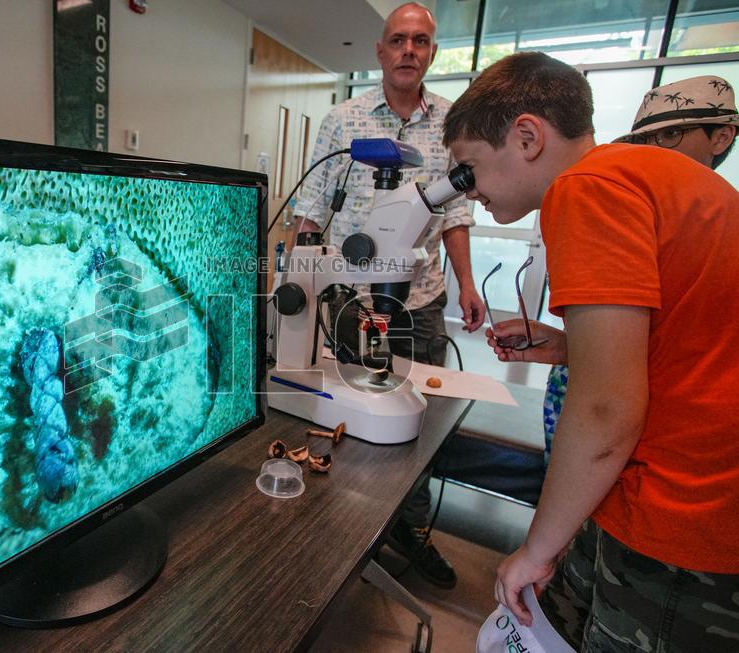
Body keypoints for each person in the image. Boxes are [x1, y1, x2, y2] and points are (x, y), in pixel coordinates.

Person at [443, 52, 739, 651]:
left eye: (469, 170)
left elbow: (606, 409)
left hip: (681, 512)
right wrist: (566, 346)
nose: (469, 197)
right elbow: (686, 337)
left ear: (527, 137)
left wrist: (536, 548)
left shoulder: (586, 190)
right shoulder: (658, 175)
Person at [293, 2, 486, 590]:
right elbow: (309, 210)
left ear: (432, 52)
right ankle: (343, 527)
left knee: (415, 420)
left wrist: (468, 285)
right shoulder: (342, 120)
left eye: (421, 41)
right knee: (347, 411)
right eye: (398, 40)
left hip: (418, 295)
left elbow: (454, 213)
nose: (409, 50)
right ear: (380, 51)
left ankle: (410, 529)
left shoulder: (453, 126)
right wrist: (298, 280)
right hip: (350, 298)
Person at [541, 75, 738, 465]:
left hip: (665, 442)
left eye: (670, 136)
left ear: (721, 137)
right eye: (644, 141)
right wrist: (569, 347)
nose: (653, 151)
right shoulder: (631, 204)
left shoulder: (717, 223)